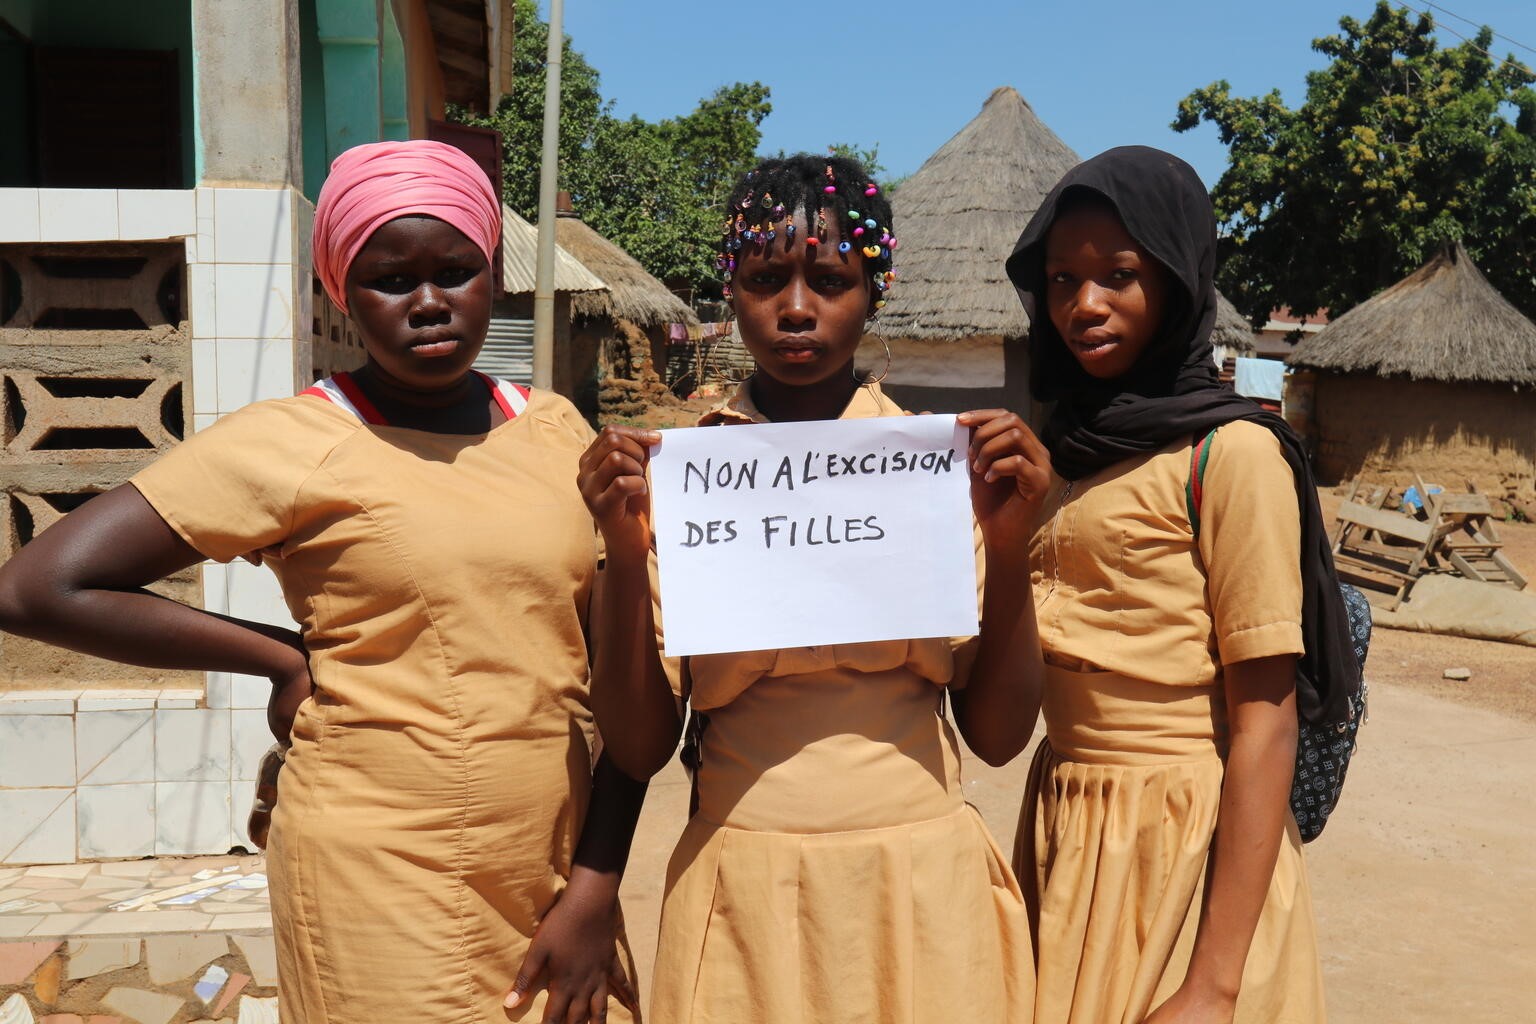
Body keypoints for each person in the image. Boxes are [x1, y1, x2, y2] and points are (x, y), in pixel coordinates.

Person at [0, 140, 644, 1024]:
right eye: (390, 279)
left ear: (494, 274)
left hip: (548, 857)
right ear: (344, 288)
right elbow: (41, 586)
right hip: (378, 868)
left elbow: (613, 674)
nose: (429, 303)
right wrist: (281, 659)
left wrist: (596, 884)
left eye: (456, 270)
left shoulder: (554, 429)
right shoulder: (293, 442)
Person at [578, 154, 1047, 1024]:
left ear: (875, 291)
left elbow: (998, 735)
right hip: (744, 884)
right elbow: (642, 748)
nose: (796, 307)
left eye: (829, 280)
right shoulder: (683, 486)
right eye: (766, 279)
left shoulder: (934, 475)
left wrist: (1010, 546)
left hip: (918, 887)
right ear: (732, 289)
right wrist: (621, 545)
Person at [1004, 146, 1350, 1023]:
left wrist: (1212, 985)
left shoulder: (1230, 454)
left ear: (1177, 278)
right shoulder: (1073, 455)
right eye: (1061, 280)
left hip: (1181, 844)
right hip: (1069, 822)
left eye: (1119, 274)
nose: (1084, 305)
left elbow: (1265, 725)